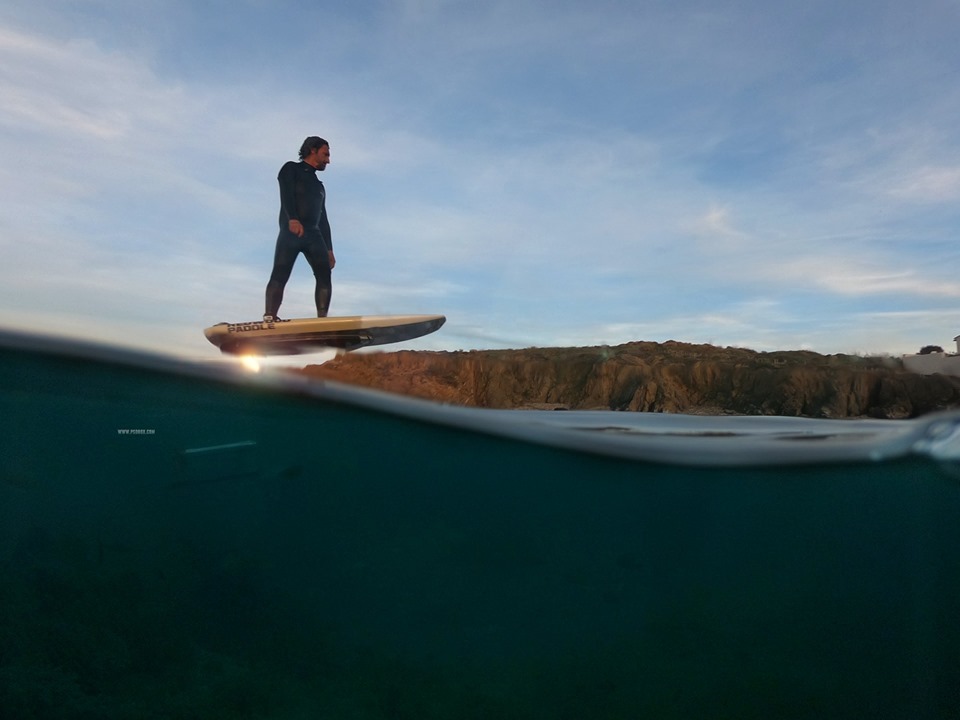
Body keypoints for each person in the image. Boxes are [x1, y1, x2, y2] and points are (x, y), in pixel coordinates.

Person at [264, 136, 336, 322]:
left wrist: (329, 249)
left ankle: (322, 320)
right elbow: (286, 193)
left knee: (324, 275)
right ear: (313, 150)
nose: (328, 160)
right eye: (325, 154)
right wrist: (293, 219)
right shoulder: (291, 169)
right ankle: (270, 316)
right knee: (280, 272)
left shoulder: (319, 186)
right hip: (291, 232)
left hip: (314, 235)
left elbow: (324, 219)